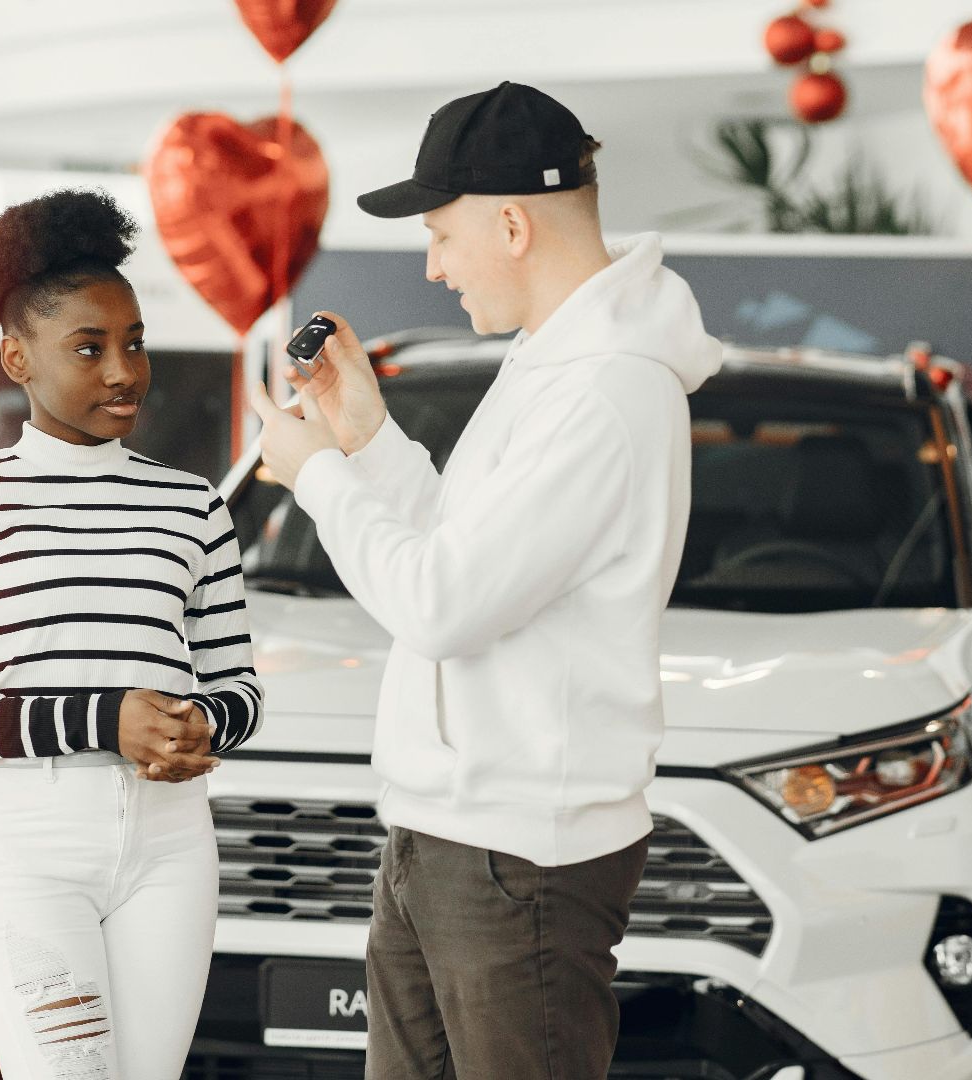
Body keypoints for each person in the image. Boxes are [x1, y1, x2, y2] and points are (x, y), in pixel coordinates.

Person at [248, 81, 722, 1080]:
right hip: (446, 838)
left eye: (440, 234)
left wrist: (320, 477)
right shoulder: (556, 363)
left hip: (519, 861)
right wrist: (364, 433)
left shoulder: (605, 390)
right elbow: (461, 551)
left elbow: (441, 605)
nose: (431, 265)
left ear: (511, 224)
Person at [0, 188, 263, 1079]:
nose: (123, 372)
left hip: (173, 844)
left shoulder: (193, 503)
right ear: (18, 358)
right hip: (31, 841)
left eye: (133, 343)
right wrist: (106, 719)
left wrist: (204, 725)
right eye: (88, 349)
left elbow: (240, 687)